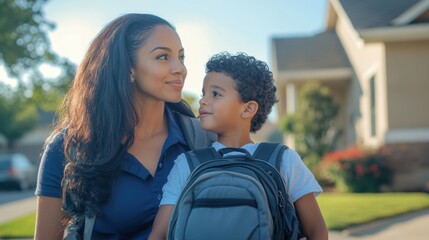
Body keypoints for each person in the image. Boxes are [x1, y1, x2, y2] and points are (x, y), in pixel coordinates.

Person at [34, 13, 214, 239]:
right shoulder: (68, 148)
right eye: (162, 57)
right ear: (128, 68)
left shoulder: (205, 140)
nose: (180, 68)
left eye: (181, 56)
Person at [148, 52, 328, 240]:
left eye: (215, 94)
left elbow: (316, 231)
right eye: (203, 93)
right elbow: (160, 233)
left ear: (248, 109)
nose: (202, 100)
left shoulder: (284, 160)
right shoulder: (186, 163)